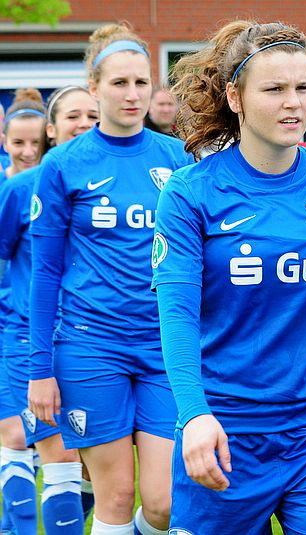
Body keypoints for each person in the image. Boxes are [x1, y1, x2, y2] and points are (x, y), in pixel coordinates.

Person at [157, 20, 306, 533]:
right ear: (236, 97)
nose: (294, 103)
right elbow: (176, 318)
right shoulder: (189, 192)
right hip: (223, 428)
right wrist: (194, 415)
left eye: (303, 87)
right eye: (274, 89)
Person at [27, 23, 194, 535]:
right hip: (90, 347)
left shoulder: (177, 158)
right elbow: (44, 272)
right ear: (94, 88)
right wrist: (39, 369)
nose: (132, 94)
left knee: (166, 503)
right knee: (116, 495)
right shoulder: (63, 164)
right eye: (119, 83)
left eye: (141, 82)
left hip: (165, 347)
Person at [0, 85, 100, 534]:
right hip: (27, 336)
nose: (85, 125)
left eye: (92, 116)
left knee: (98, 472)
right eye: (73, 116)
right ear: (53, 130)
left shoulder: (122, 184)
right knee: (49, 451)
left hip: (95, 341)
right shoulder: (21, 189)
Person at [0, 88, 46, 535]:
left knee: (52, 448)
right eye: (18, 143)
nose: (28, 151)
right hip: (10, 330)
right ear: (4, 141)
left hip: (49, 331)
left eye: (36, 143)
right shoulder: (9, 192)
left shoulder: (53, 187)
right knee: (15, 435)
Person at [2, 89, 46, 179]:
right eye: (18, 143)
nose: (28, 153)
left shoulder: (62, 185)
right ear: (5, 143)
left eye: (37, 142)